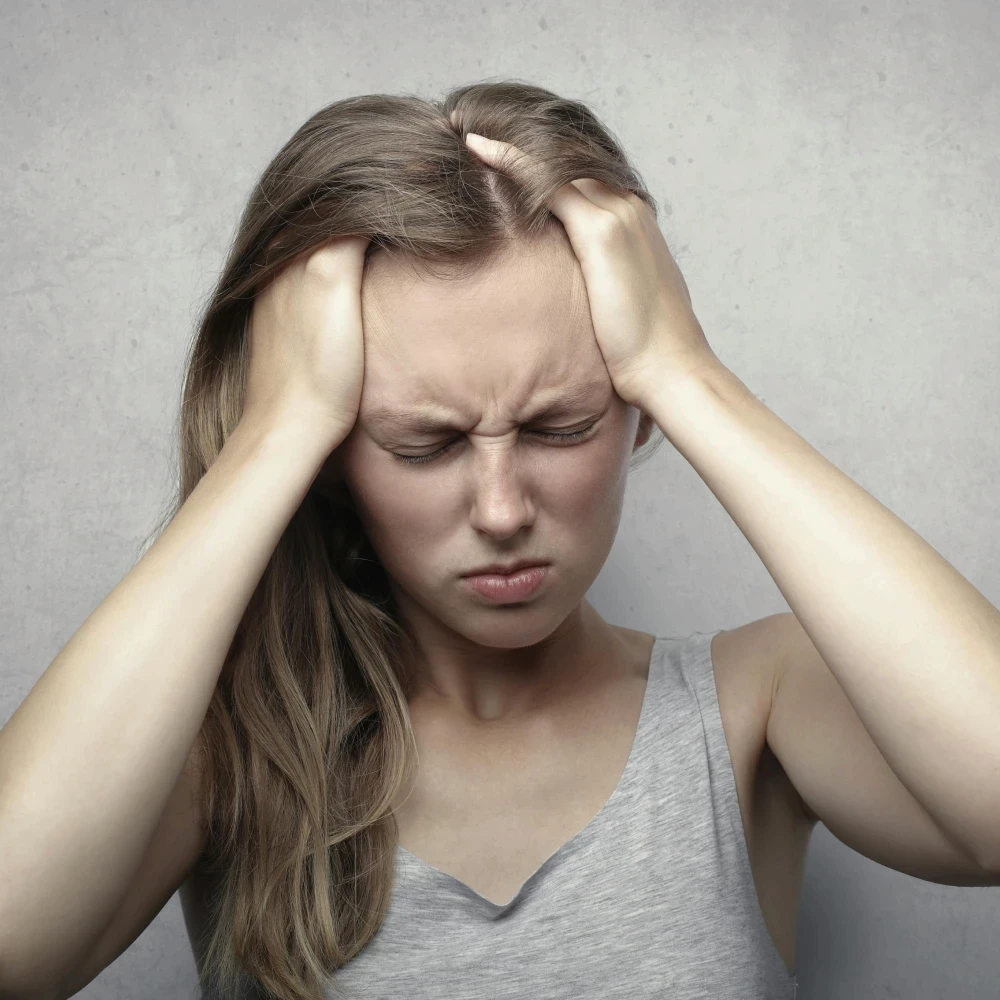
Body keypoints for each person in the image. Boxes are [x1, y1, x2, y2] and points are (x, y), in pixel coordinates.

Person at [0, 80, 806, 1000]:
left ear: (639, 414)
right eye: (424, 444)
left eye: (559, 427)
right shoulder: (227, 753)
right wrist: (280, 428)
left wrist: (684, 369)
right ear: (337, 460)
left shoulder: (756, 706)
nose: (502, 511)